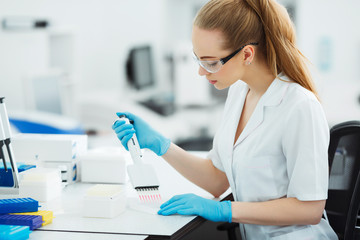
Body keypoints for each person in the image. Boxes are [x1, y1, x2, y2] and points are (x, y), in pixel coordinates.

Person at [112, 0, 338, 239]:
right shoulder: (240, 93)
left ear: (247, 54)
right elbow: (217, 179)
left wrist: (225, 209)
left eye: (210, 62)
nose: (201, 71)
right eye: (198, 59)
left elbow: (310, 209)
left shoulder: (300, 106)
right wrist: (162, 146)